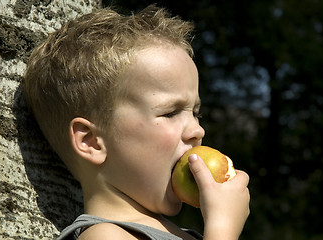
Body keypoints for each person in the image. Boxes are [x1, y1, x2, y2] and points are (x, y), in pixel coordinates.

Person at [24, 5, 250, 240]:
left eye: (195, 113)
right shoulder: (105, 236)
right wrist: (222, 229)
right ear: (91, 141)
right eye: (170, 113)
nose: (197, 130)